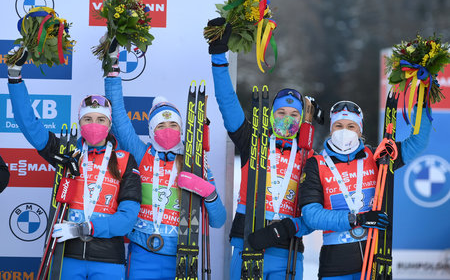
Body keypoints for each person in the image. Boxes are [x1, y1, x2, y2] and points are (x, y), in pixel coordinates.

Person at [7, 49, 142, 279]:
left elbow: (127, 219)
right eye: (87, 119)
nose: (94, 124)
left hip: (108, 260)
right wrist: (14, 77)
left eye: (101, 120)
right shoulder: (68, 152)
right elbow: (30, 127)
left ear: (109, 125)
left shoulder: (125, 160)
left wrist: (86, 228)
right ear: (80, 122)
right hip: (65, 256)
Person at [103, 39, 226, 280]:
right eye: (161, 125)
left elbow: (218, 220)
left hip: (182, 256)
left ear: (181, 130)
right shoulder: (141, 153)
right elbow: (117, 114)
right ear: (151, 130)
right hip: (141, 252)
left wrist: (208, 192)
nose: (167, 130)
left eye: (173, 125)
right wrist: (112, 68)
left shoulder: (194, 160)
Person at [207, 17, 318, 280]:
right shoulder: (252, 141)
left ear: (302, 120)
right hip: (246, 243)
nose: (287, 119)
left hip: (288, 252)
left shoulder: (309, 156)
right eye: (281, 112)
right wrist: (219, 58)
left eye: (294, 114)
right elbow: (227, 103)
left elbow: (316, 212)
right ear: (270, 115)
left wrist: (288, 229)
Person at [299, 100, 431, 280]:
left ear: (360, 130)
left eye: (351, 126)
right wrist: (357, 219)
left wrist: (421, 106)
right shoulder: (316, 164)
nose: (344, 131)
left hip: (376, 260)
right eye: (338, 125)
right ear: (331, 129)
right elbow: (312, 215)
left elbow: (417, 143)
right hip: (335, 264)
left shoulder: (378, 156)